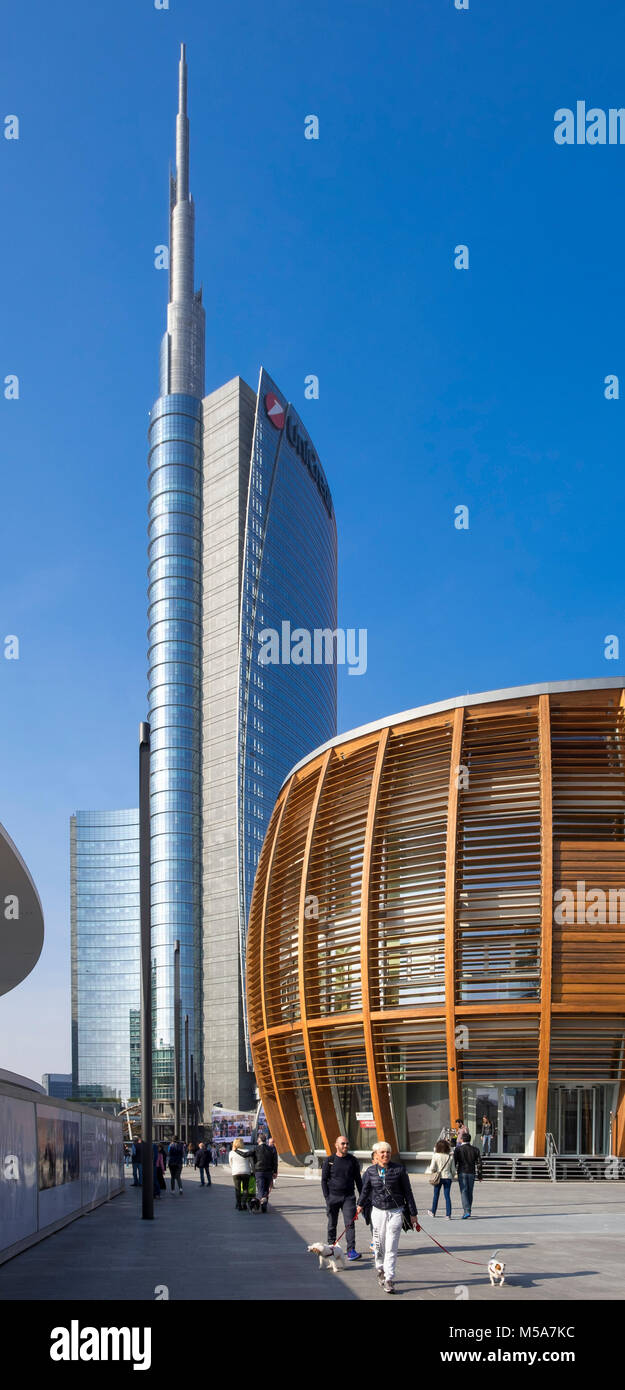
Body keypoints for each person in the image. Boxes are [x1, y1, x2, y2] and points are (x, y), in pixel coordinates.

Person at [357, 1141, 419, 1294]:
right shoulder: (370, 1171)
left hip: (396, 1212)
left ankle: (389, 1278)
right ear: (376, 1155)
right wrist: (359, 1206)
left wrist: (413, 1214)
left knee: (391, 1246)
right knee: (379, 1245)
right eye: (382, 1152)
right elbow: (365, 1191)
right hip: (378, 1212)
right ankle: (380, 1269)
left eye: (388, 1152)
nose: (385, 1155)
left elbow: (408, 1192)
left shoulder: (399, 1170)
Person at [321, 1136, 363, 1261]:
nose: (345, 1146)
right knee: (332, 1223)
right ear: (336, 1145)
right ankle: (331, 1248)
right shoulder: (329, 1160)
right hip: (333, 1197)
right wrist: (327, 1198)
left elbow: (358, 1180)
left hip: (348, 1197)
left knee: (350, 1224)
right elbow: (323, 1180)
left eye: (347, 1143)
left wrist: (362, 1198)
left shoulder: (353, 1160)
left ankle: (351, 1251)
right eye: (343, 1143)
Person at [454, 1131, 483, 1218]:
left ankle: (467, 1211)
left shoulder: (458, 1149)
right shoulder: (475, 1149)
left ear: (462, 1139)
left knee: (464, 1191)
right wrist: (480, 1175)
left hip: (462, 1172)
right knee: (470, 1192)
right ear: (470, 1140)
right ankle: (468, 1210)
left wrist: (452, 1173)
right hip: (471, 1172)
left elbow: (454, 1162)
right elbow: (479, 1163)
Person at [425, 1139, 456, 1220]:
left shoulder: (435, 1156)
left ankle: (433, 1212)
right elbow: (453, 1170)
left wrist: (435, 1172)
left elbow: (432, 1168)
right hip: (448, 1178)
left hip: (438, 1178)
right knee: (447, 1196)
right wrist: (452, 1176)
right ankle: (448, 1215)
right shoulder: (450, 1156)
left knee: (436, 1195)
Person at [253, 1134, 278, 1212]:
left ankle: (257, 1203)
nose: (257, 1140)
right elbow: (275, 1161)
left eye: (258, 1139)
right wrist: (275, 1171)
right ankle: (264, 1206)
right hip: (269, 1172)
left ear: (260, 1140)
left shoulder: (256, 1149)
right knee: (266, 1189)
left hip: (259, 1172)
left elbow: (253, 1160)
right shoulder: (271, 1149)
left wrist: (254, 1170)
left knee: (260, 1189)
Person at [229, 1136, 254, 1209]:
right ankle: (243, 1203)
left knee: (237, 1189)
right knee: (246, 1188)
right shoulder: (247, 1151)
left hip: (236, 1172)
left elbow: (230, 1163)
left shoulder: (231, 1152)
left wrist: (234, 1168)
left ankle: (238, 1204)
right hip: (246, 1171)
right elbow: (251, 1162)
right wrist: (252, 1170)